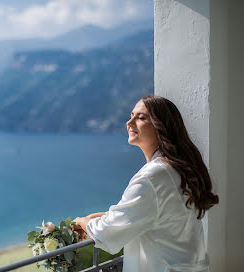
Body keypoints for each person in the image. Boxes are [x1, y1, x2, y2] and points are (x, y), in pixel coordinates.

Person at [72, 95, 219, 272]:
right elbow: (146, 213)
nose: (130, 122)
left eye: (141, 118)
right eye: (131, 115)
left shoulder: (152, 177)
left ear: (161, 127)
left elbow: (108, 231)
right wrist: (92, 219)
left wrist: (81, 222)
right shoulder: (178, 169)